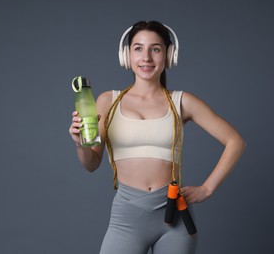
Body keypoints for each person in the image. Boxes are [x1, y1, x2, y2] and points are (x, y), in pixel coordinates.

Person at [68, 20, 246, 254]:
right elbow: (91, 164)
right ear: (126, 55)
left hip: (174, 216)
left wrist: (207, 188)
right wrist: (81, 144)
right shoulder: (107, 102)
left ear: (169, 55)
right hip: (127, 219)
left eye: (156, 49)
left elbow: (236, 141)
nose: (146, 57)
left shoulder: (182, 102)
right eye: (138, 48)